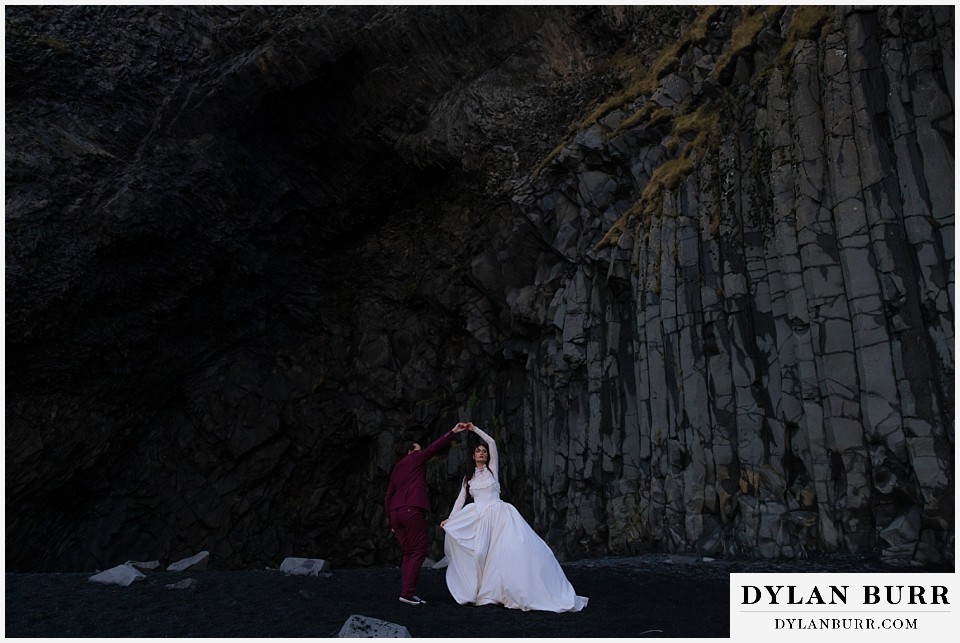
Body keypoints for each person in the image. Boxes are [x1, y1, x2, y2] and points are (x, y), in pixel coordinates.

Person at [440, 423, 588, 612]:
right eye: (478, 451)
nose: (482, 453)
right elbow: (460, 501)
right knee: (479, 554)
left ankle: (502, 590)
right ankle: (475, 591)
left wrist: (474, 429)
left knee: (509, 552)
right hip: (479, 518)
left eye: (483, 451)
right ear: (473, 456)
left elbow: (492, 442)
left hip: (500, 515)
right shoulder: (468, 479)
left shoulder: (493, 469)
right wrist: (451, 520)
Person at [385, 422, 468, 605]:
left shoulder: (397, 469)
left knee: (408, 552)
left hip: (396, 513)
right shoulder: (415, 458)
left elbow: (388, 496)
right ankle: (408, 592)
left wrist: (391, 521)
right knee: (419, 551)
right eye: (417, 450)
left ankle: (405, 591)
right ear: (410, 452)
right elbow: (432, 449)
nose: (419, 453)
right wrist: (452, 432)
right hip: (411, 510)